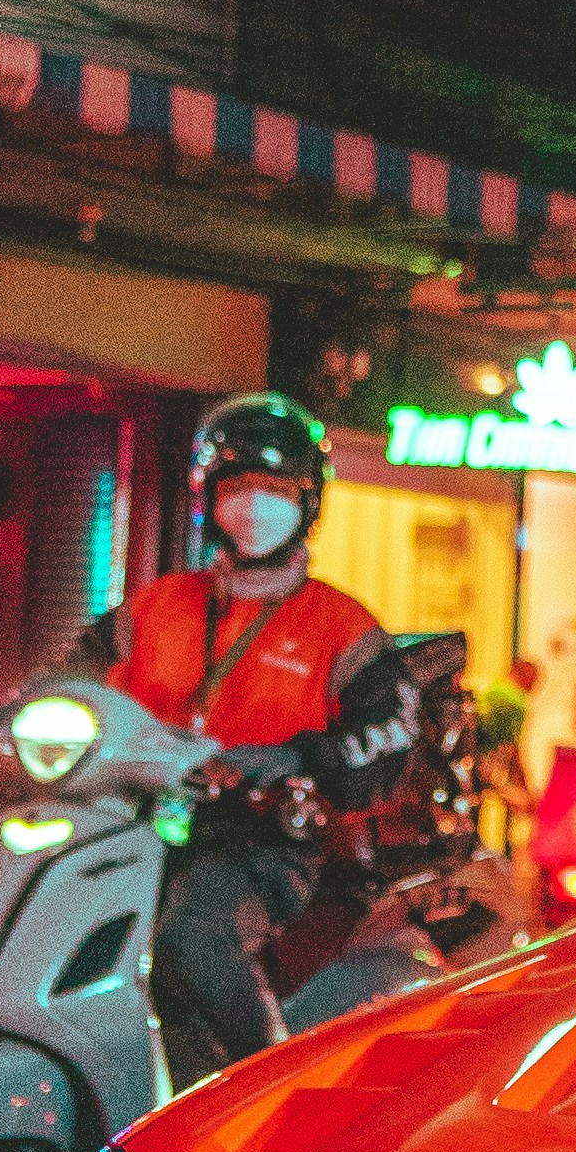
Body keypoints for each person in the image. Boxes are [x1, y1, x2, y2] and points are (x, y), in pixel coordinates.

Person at [92, 394, 393, 1063]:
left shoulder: (341, 626)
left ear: (308, 501)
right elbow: (66, 683)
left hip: (264, 841)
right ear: (209, 499)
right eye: (238, 486)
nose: (254, 504)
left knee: (190, 939)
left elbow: (389, 734)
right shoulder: (157, 605)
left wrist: (293, 758)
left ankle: (259, 1080)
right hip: (130, 822)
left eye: (275, 488)